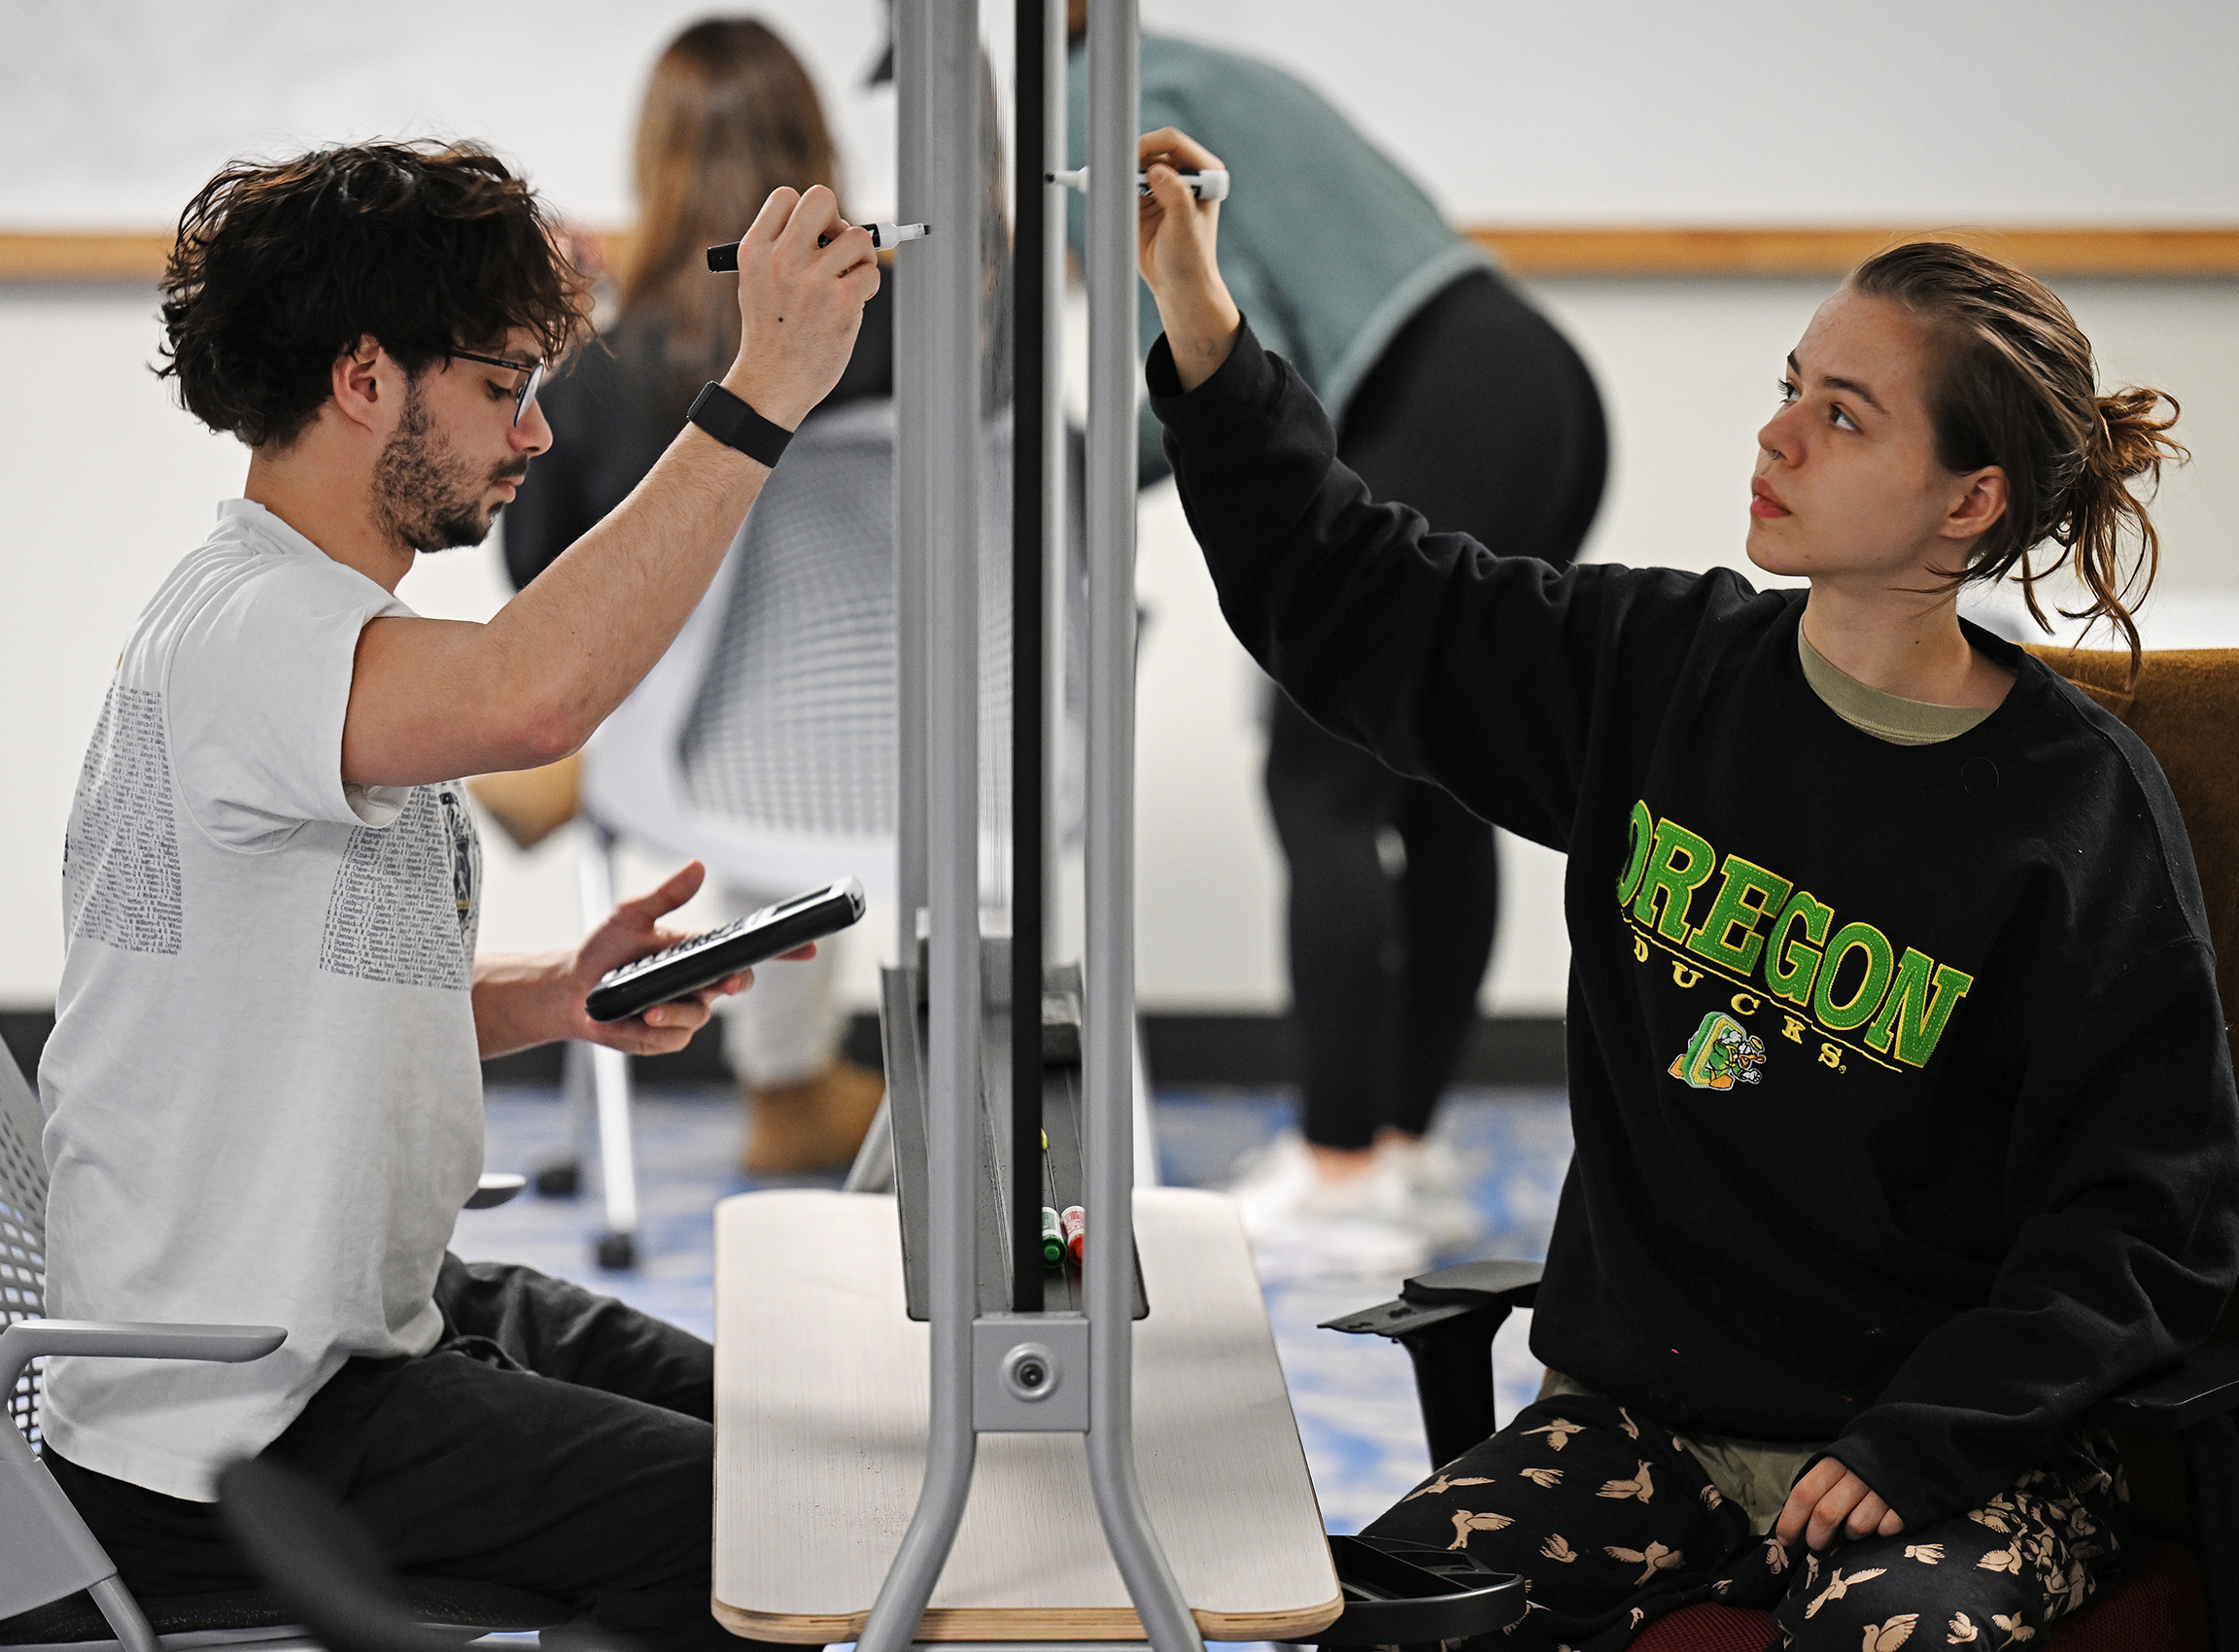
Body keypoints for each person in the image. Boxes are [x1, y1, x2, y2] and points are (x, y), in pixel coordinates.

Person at [1132, 125, 2239, 1645]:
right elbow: (1357, 590)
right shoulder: (1660, 676)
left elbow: (2145, 1218)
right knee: (1373, 1617)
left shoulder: (2074, 811)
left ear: (1968, 504)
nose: (1776, 437)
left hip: (1964, 1452)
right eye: (1790, 387)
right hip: (1653, 1429)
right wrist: (1198, 308)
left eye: (1842, 418)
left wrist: (1927, 1436)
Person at [37, 140, 875, 1649]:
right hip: (236, 1428)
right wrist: (760, 400)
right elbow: (533, 697)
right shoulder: (255, 632)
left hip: (369, 1326)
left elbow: (286, 1001)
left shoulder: (305, 629)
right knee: (770, 1531)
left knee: (820, 1439)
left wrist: (554, 998)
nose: (539, 432)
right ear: (367, 378)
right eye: (504, 384)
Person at [1063, 13, 1607, 1274]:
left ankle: (1340, 1168)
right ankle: (1401, 1152)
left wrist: (1083, 462)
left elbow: (1244, 355)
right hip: (1530, 381)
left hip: (1441, 398)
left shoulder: (1104, 95)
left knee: (1318, 776)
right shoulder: (1206, 69)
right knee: (1439, 777)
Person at [502, 19, 889, 1176]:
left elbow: (539, 585)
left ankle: (786, 1085)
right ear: (815, 145)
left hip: (687, 765)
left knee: (714, 708)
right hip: (930, 736)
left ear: (654, 164)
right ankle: (803, 1085)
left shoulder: (607, 368)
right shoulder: (927, 341)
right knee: (794, 701)